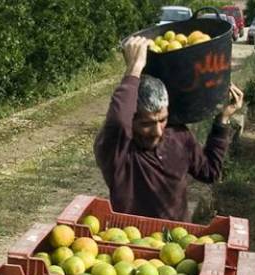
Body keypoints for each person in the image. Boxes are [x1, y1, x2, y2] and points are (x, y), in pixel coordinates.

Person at [94, 36, 244, 220]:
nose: (157, 131)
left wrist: (223, 120)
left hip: (176, 240)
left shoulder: (178, 136)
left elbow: (210, 172)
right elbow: (117, 120)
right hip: (131, 242)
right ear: (131, 121)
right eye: (146, 124)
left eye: (162, 120)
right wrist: (134, 68)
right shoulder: (119, 151)